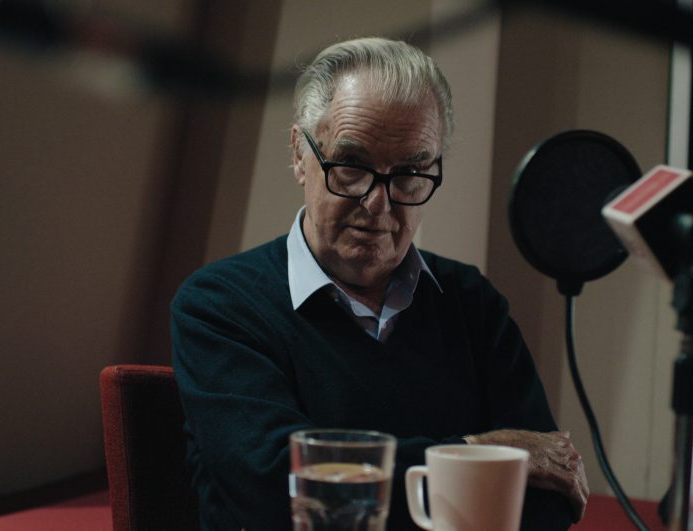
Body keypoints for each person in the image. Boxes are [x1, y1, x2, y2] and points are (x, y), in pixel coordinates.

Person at [171, 37, 589, 531]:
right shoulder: (218, 306)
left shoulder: (472, 303)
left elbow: (550, 487)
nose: (378, 204)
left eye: (409, 173)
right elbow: (274, 487)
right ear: (300, 154)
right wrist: (476, 452)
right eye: (351, 167)